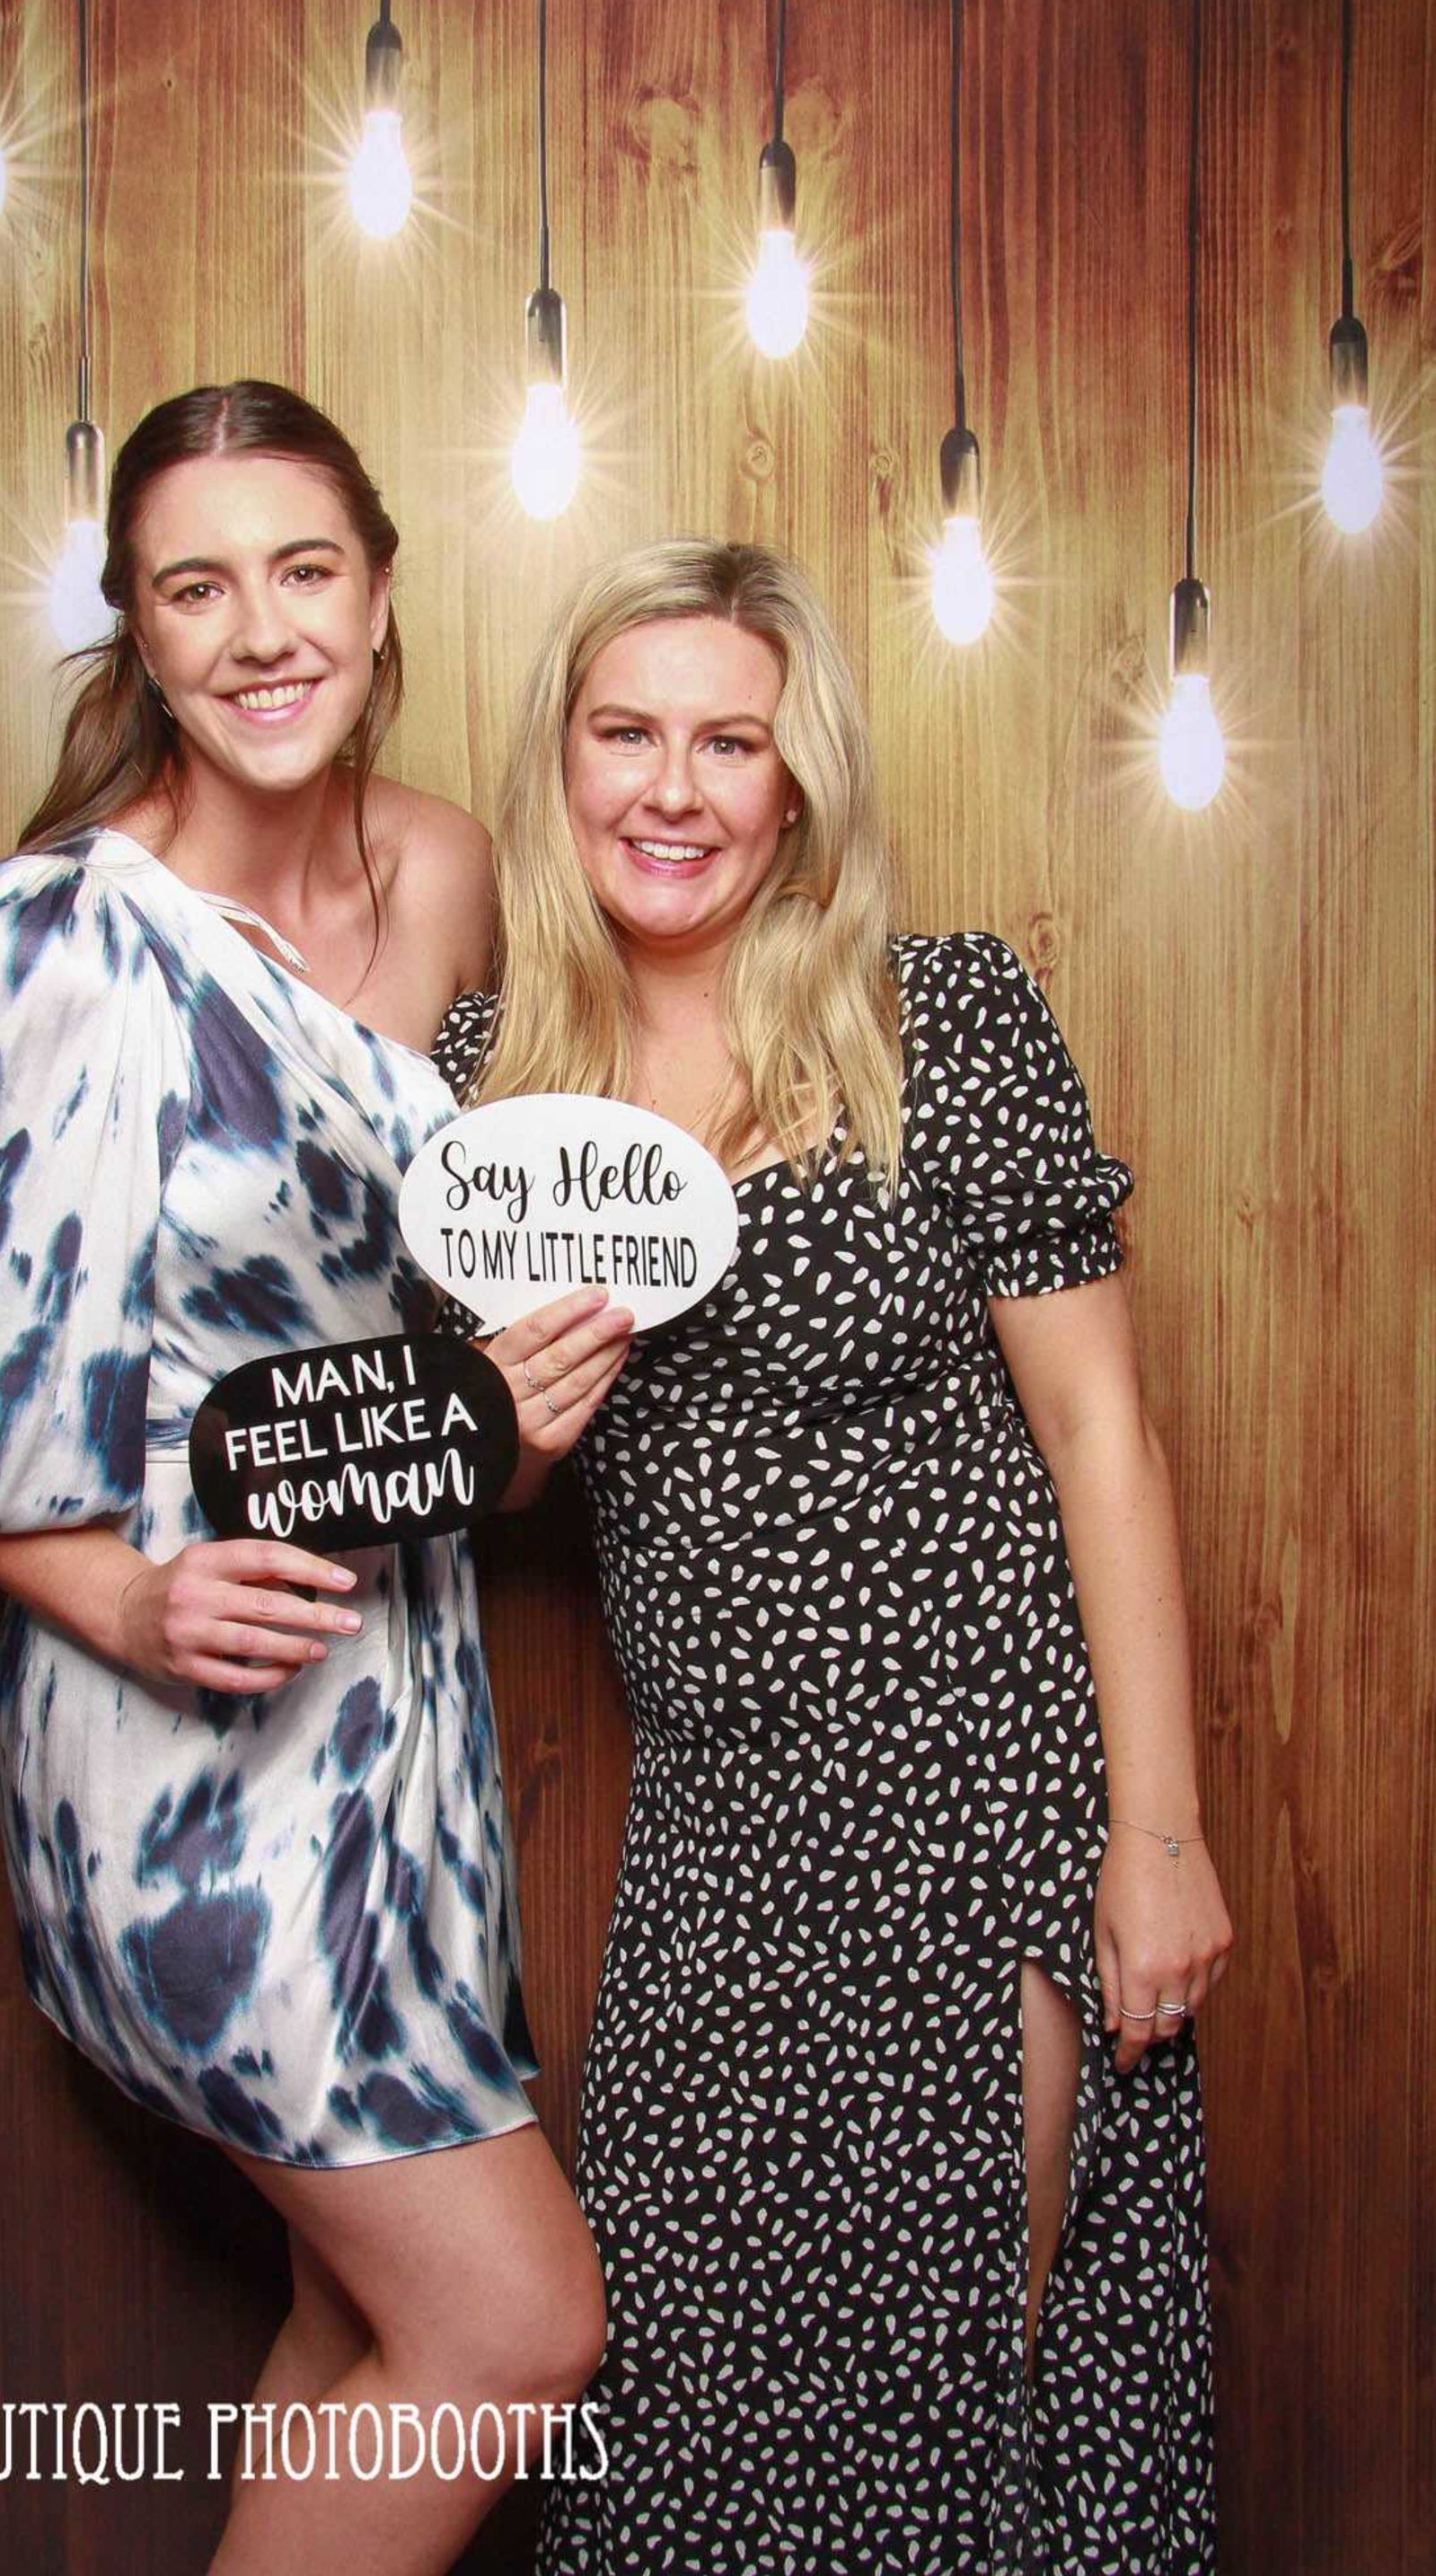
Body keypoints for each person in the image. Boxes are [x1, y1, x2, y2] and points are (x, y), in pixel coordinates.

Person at [0, 380, 623, 2576]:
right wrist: (115, 1595)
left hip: (396, 1711)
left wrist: (500, 1409)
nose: (262, 630)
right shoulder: (43, 944)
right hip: (171, 1736)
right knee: (508, 2329)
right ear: (135, 625)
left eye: (303, 570)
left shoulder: (459, 876)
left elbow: (382, 1327)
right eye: (197, 585)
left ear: (381, 589)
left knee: (355, 2305)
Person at [433, 538, 1233, 2572]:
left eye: (731, 739)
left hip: (975, 1804)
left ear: (798, 786)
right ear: (562, 756)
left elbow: (1100, 1435)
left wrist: (1156, 1836)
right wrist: (509, 1436)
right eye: (626, 731)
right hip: (718, 1836)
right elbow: (500, 1492)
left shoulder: (930, 1016)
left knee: (947, 2387)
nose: (673, 787)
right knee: (688, 2404)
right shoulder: (487, 1080)